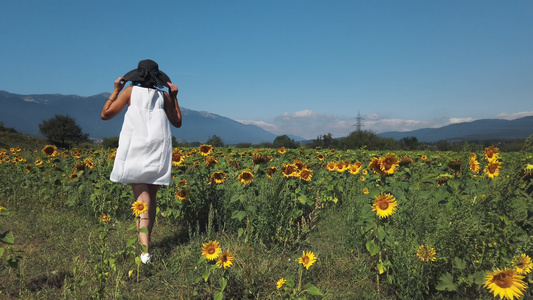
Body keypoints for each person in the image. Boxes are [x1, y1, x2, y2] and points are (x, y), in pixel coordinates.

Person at [101, 59, 182, 264]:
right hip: (157, 147)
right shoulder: (163, 96)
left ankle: (145, 252)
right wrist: (174, 98)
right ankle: (146, 243)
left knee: (141, 198)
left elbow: (105, 115)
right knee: (150, 198)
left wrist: (115, 90)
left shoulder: (129, 92)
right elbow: (178, 122)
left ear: (138, 75)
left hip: (135, 146)